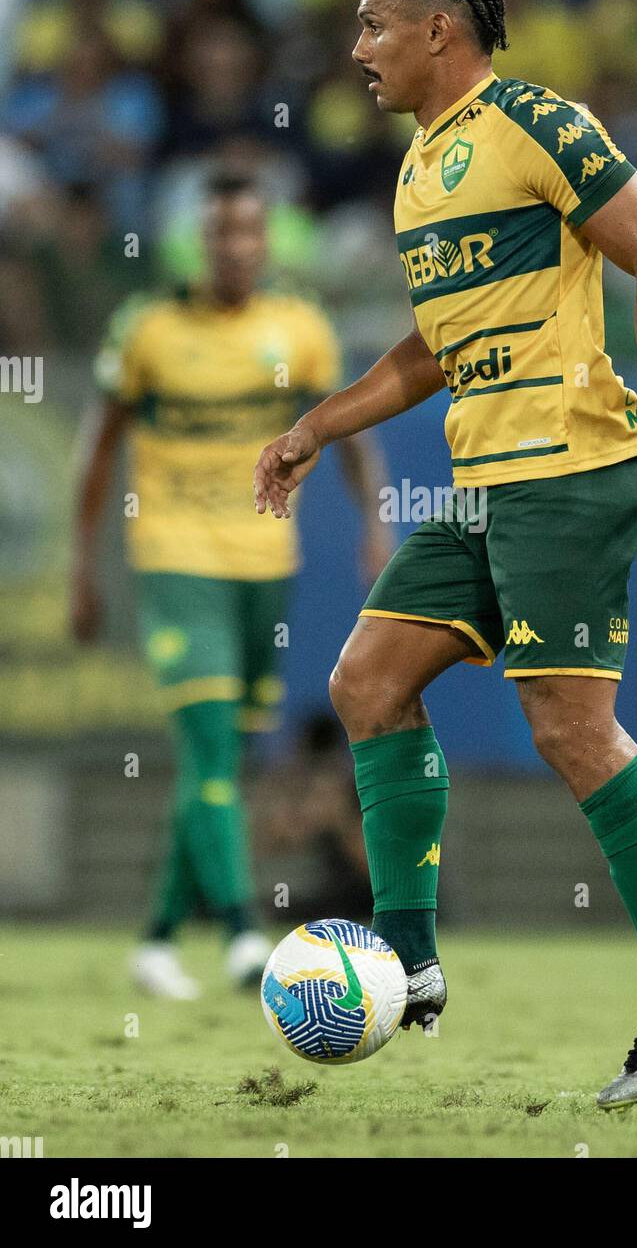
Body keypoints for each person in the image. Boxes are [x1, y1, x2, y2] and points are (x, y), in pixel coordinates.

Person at [253, 0, 637, 1110]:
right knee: (368, 678)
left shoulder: (536, 119)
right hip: (483, 488)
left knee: (571, 732)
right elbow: (434, 348)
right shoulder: (420, 166)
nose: (356, 49)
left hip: (569, 470)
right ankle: (410, 957)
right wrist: (317, 425)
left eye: (374, 25)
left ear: (438, 29)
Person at [72, 172, 390, 998]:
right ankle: (246, 934)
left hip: (264, 565)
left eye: (251, 233)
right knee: (211, 746)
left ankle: (156, 939)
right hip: (177, 558)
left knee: (222, 762)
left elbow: (348, 428)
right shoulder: (147, 330)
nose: (236, 248)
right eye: (221, 234)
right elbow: (99, 448)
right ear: (198, 243)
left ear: (267, 240)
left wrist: (374, 522)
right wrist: (81, 567)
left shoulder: (300, 328)